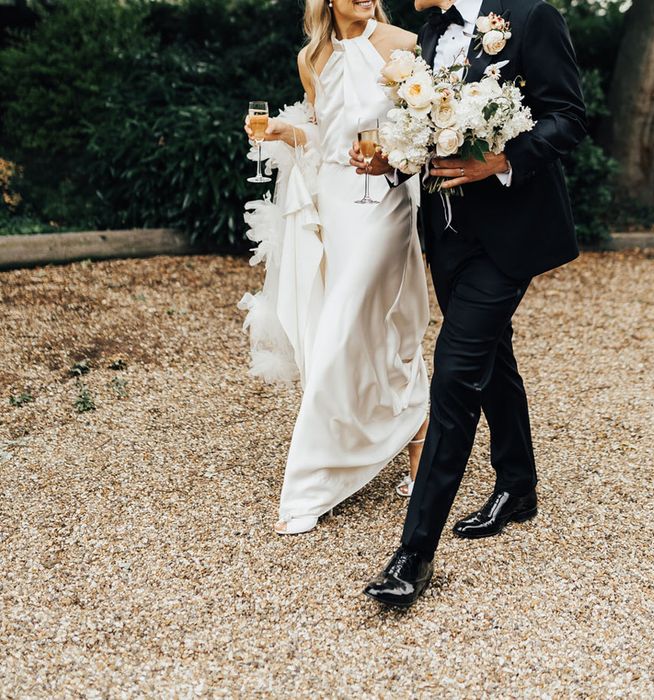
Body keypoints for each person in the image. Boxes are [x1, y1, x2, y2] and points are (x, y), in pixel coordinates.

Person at [352, 0, 587, 606]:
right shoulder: (430, 33)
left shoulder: (532, 17)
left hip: (508, 239)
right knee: (491, 357)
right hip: (446, 236)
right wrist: (390, 159)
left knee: (455, 377)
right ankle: (518, 484)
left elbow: (567, 119)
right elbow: (431, 133)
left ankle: (414, 553)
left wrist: (503, 159)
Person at [239, 0, 430, 535]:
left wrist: (392, 156)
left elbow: (424, 129)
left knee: (346, 327)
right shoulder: (311, 57)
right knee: (359, 328)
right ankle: (418, 457)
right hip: (337, 202)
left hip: (385, 205)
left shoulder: (404, 44)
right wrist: (280, 132)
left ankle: (311, 483)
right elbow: (325, 137)